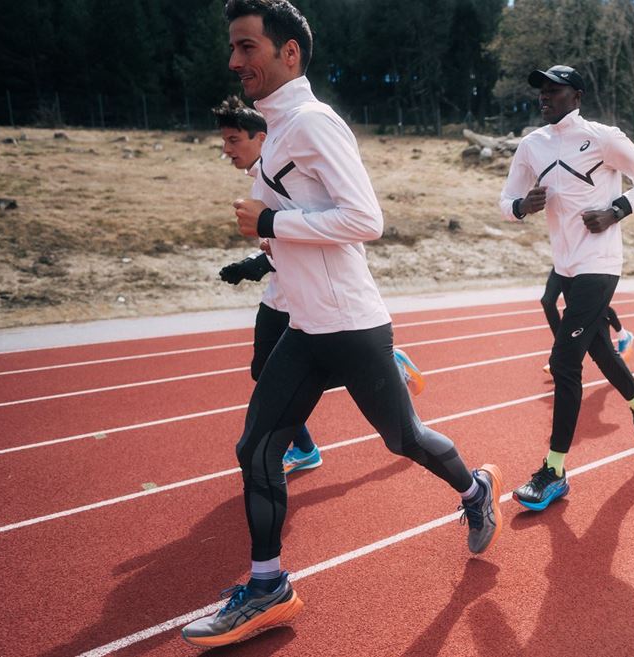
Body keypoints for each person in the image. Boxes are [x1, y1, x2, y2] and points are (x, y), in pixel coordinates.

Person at [182, 1, 502, 647]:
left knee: (403, 439)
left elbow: (364, 220)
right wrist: (257, 253)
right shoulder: (270, 129)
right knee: (256, 447)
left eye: (247, 47)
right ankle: (269, 585)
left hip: (352, 324)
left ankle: (473, 488)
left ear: (289, 54)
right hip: (304, 322)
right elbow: (297, 223)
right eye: (233, 47)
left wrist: (271, 222)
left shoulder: (312, 122)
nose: (234, 60)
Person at [212, 96, 426, 476]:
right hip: (280, 296)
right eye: (224, 141)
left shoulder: (294, 159)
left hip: (309, 300)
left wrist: (265, 241)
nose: (226, 150)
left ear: (262, 138)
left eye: (234, 140)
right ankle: (306, 446)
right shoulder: (261, 178)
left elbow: (345, 225)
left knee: (300, 381)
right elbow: (287, 239)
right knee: (265, 374)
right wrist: (258, 261)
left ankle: (384, 367)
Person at [500, 64, 634, 511]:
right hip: (565, 264)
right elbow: (504, 201)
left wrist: (617, 210)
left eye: (554, 90)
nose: (544, 97)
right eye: (540, 91)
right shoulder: (532, 145)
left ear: (577, 95)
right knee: (598, 348)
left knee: (564, 360)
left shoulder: (604, 136)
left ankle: (553, 472)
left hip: (600, 263)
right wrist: (520, 206)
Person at [540, 292, 633, 376]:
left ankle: (622, 335)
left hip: (589, 274)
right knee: (548, 301)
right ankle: (561, 355)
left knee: (589, 302)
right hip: (562, 272)